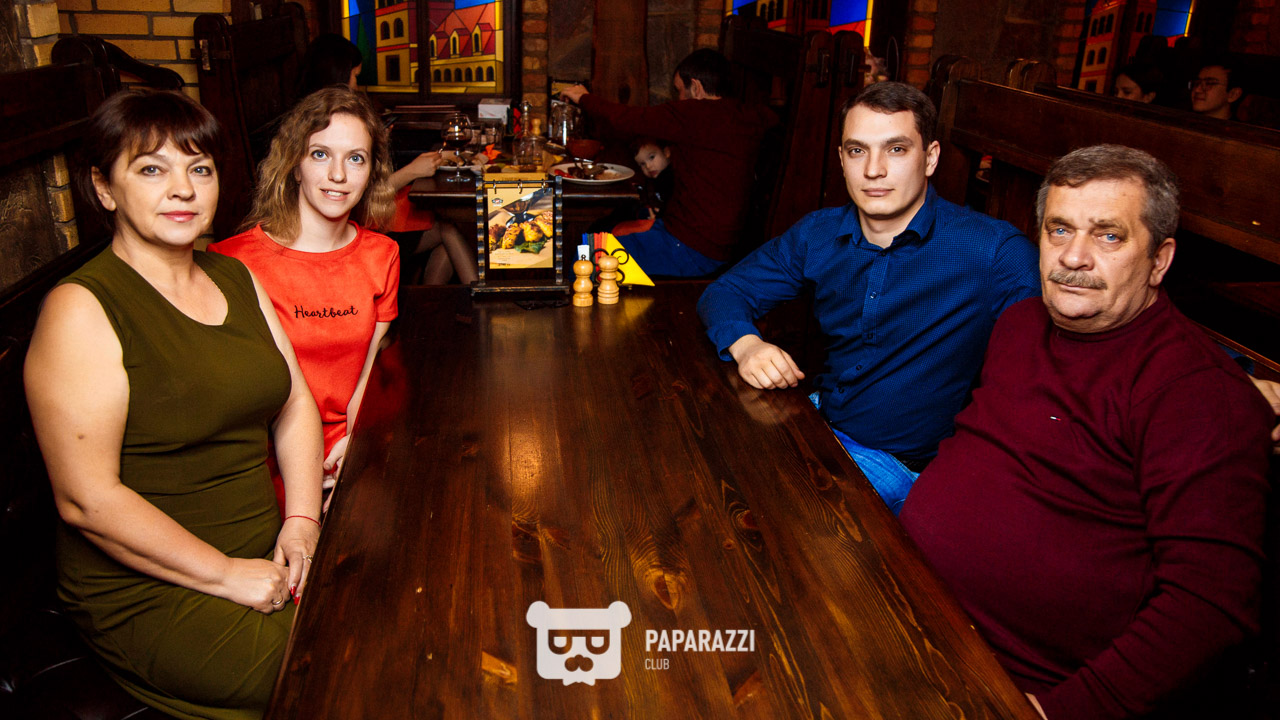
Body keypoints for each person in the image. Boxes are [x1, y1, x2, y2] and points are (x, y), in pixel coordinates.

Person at [900, 145, 1273, 720]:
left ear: (1159, 260)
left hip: (1014, 682)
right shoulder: (1019, 325)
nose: (1073, 257)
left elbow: (1209, 601)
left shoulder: (1198, 393)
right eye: (1059, 229)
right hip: (907, 604)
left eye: (1109, 236)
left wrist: (1059, 712)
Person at [24, 89, 323, 719]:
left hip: (264, 547)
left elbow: (294, 400)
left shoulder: (232, 275)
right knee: (340, 674)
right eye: (152, 169)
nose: (183, 189)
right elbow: (86, 500)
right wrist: (224, 574)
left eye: (200, 168)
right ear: (104, 189)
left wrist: (302, 520)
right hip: (153, 583)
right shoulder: (81, 308)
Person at [698, 82, 1040, 513]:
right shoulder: (818, 233)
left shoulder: (992, 251)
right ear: (842, 160)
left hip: (901, 463)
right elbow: (726, 291)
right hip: (820, 420)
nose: (873, 170)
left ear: (930, 157)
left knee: (758, 514)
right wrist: (747, 345)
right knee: (705, 467)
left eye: (896, 149)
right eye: (858, 151)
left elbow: (1049, 367)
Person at [209, 86, 398, 510]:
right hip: (266, 462)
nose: (338, 175)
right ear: (294, 165)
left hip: (351, 447)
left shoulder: (382, 255)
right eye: (320, 154)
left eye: (356, 158)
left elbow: (366, 378)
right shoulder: (232, 262)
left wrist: (357, 449)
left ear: (372, 171)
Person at [560, 49, 778, 276]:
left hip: (690, 249)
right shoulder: (747, 115)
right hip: (722, 247)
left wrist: (583, 97)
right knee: (611, 227)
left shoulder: (693, 114)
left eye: (679, 90)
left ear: (696, 87)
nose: (679, 99)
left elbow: (627, 119)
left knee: (586, 254)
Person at [297, 33, 476, 285]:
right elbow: (361, 198)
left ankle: (427, 304)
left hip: (363, 219)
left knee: (447, 234)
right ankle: (479, 300)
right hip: (358, 226)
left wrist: (378, 142)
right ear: (338, 76)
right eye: (355, 76)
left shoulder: (323, 116)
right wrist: (412, 171)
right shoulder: (317, 126)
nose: (356, 86)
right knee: (448, 229)